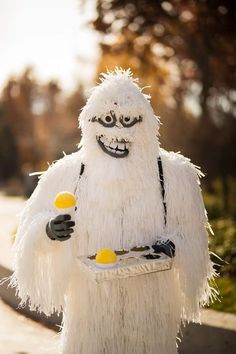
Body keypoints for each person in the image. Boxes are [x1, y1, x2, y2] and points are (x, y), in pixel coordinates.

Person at [11, 69, 216, 354]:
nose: (118, 132)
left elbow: (194, 234)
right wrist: (48, 229)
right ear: (89, 122)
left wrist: (172, 246)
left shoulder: (173, 175)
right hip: (90, 313)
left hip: (150, 312)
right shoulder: (68, 173)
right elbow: (30, 226)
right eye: (108, 121)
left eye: (129, 121)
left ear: (145, 125)